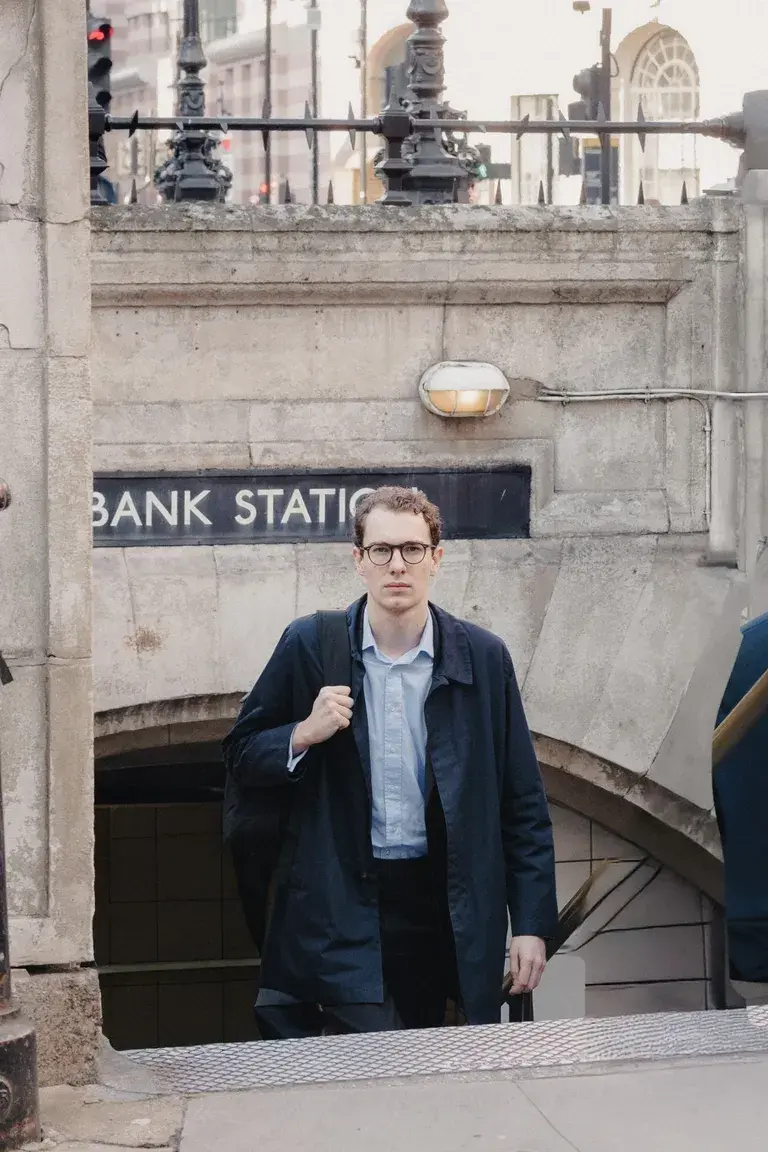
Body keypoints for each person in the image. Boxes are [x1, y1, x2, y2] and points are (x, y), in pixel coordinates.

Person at [223, 486, 558, 1038]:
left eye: (412, 550)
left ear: (437, 558)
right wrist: (303, 734)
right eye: (381, 551)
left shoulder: (482, 657)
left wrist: (530, 924)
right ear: (359, 561)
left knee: (427, 1048)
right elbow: (240, 753)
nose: (396, 565)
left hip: (444, 904)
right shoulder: (310, 644)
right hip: (345, 897)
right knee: (374, 1045)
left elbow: (521, 803)